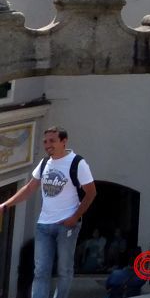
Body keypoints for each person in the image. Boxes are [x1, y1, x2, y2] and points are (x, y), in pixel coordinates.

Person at [0, 127, 97, 298]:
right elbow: (29, 188)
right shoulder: (45, 163)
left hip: (66, 225)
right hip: (44, 225)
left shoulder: (77, 163)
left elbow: (91, 193)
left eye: (52, 141)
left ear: (64, 141)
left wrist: (74, 217)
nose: (47, 145)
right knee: (41, 270)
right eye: (45, 141)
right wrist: (5, 205)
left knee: (64, 270)